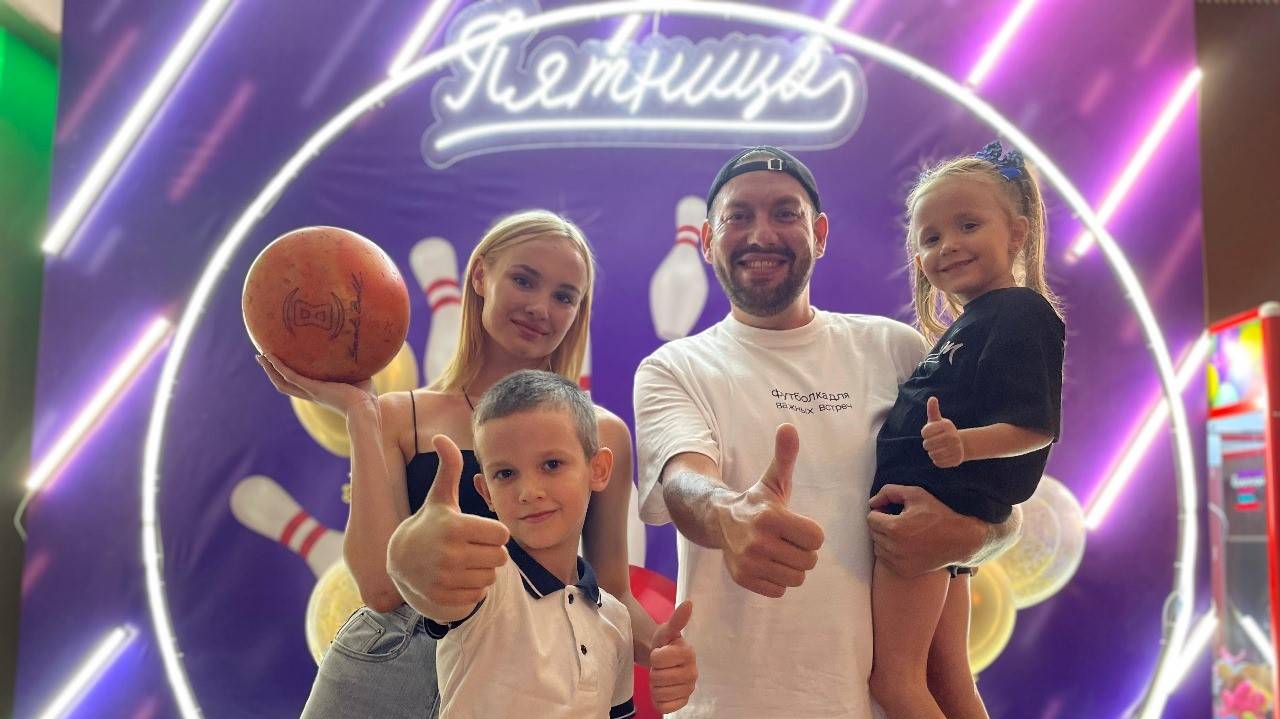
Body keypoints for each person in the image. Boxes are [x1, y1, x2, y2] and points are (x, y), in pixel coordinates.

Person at [632, 146, 1023, 718]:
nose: (761, 234)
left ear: (819, 234)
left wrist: (970, 535)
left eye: (784, 213)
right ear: (707, 239)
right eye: (738, 216)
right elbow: (683, 483)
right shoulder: (674, 368)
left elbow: (996, 507)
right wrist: (729, 514)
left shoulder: (895, 350)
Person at [257, 210, 695, 717]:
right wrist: (360, 413)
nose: (540, 307)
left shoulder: (604, 434)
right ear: (481, 276)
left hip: (521, 684)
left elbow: (610, 595)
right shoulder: (396, 416)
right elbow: (380, 589)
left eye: (564, 296)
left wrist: (663, 650)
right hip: (387, 673)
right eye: (524, 280)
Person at [867, 141, 1065, 719]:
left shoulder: (1020, 313)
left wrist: (963, 446)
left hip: (927, 514)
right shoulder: (976, 321)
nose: (948, 245)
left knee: (895, 681)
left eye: (968, 225)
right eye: (930, 238)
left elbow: (1035, 426)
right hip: (935, 510)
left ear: (1018, 233)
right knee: (946, 676)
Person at [405, 369, 694, 718]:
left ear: (599, 469)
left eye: (551, 464)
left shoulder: (616, 619)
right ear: (486, 492)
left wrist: (668, 671)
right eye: (506, 474)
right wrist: (409, 551)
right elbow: (425, 580)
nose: (529, 492)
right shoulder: (484, 582)